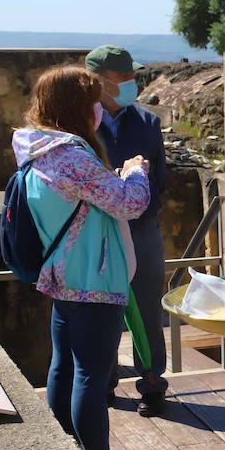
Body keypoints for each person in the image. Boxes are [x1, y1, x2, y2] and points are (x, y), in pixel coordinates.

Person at [12, 65, 156, 450]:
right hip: (93, 279)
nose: (100, 108)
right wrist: (135, 171)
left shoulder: (36, 148)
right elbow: (129, 204)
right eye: (94, 101)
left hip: (61, 276)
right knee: (91, 376)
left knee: (63, 366)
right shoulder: (71, 156)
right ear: (78, 108)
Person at [84, 45, 168, 417]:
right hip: (97, 233)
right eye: (125, 78)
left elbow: (161, 180)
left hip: (142, 230)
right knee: (101, 310)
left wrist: (136, 211)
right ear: (100, 82)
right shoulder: (80, 125)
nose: (133, 83)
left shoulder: (147, 123)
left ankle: (152, 384)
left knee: (148, 309)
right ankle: (103, 384)